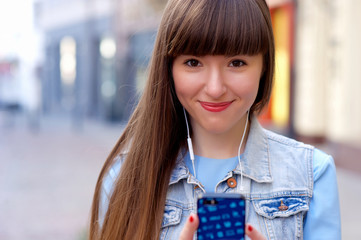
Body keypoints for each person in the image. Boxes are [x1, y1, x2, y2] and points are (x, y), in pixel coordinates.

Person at [89, 0, 341, 239]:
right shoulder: (124, 179)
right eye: (193, 62)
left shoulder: (311, 174)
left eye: (236, 63)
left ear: (264, 66)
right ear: (168, 68)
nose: (215, 88)